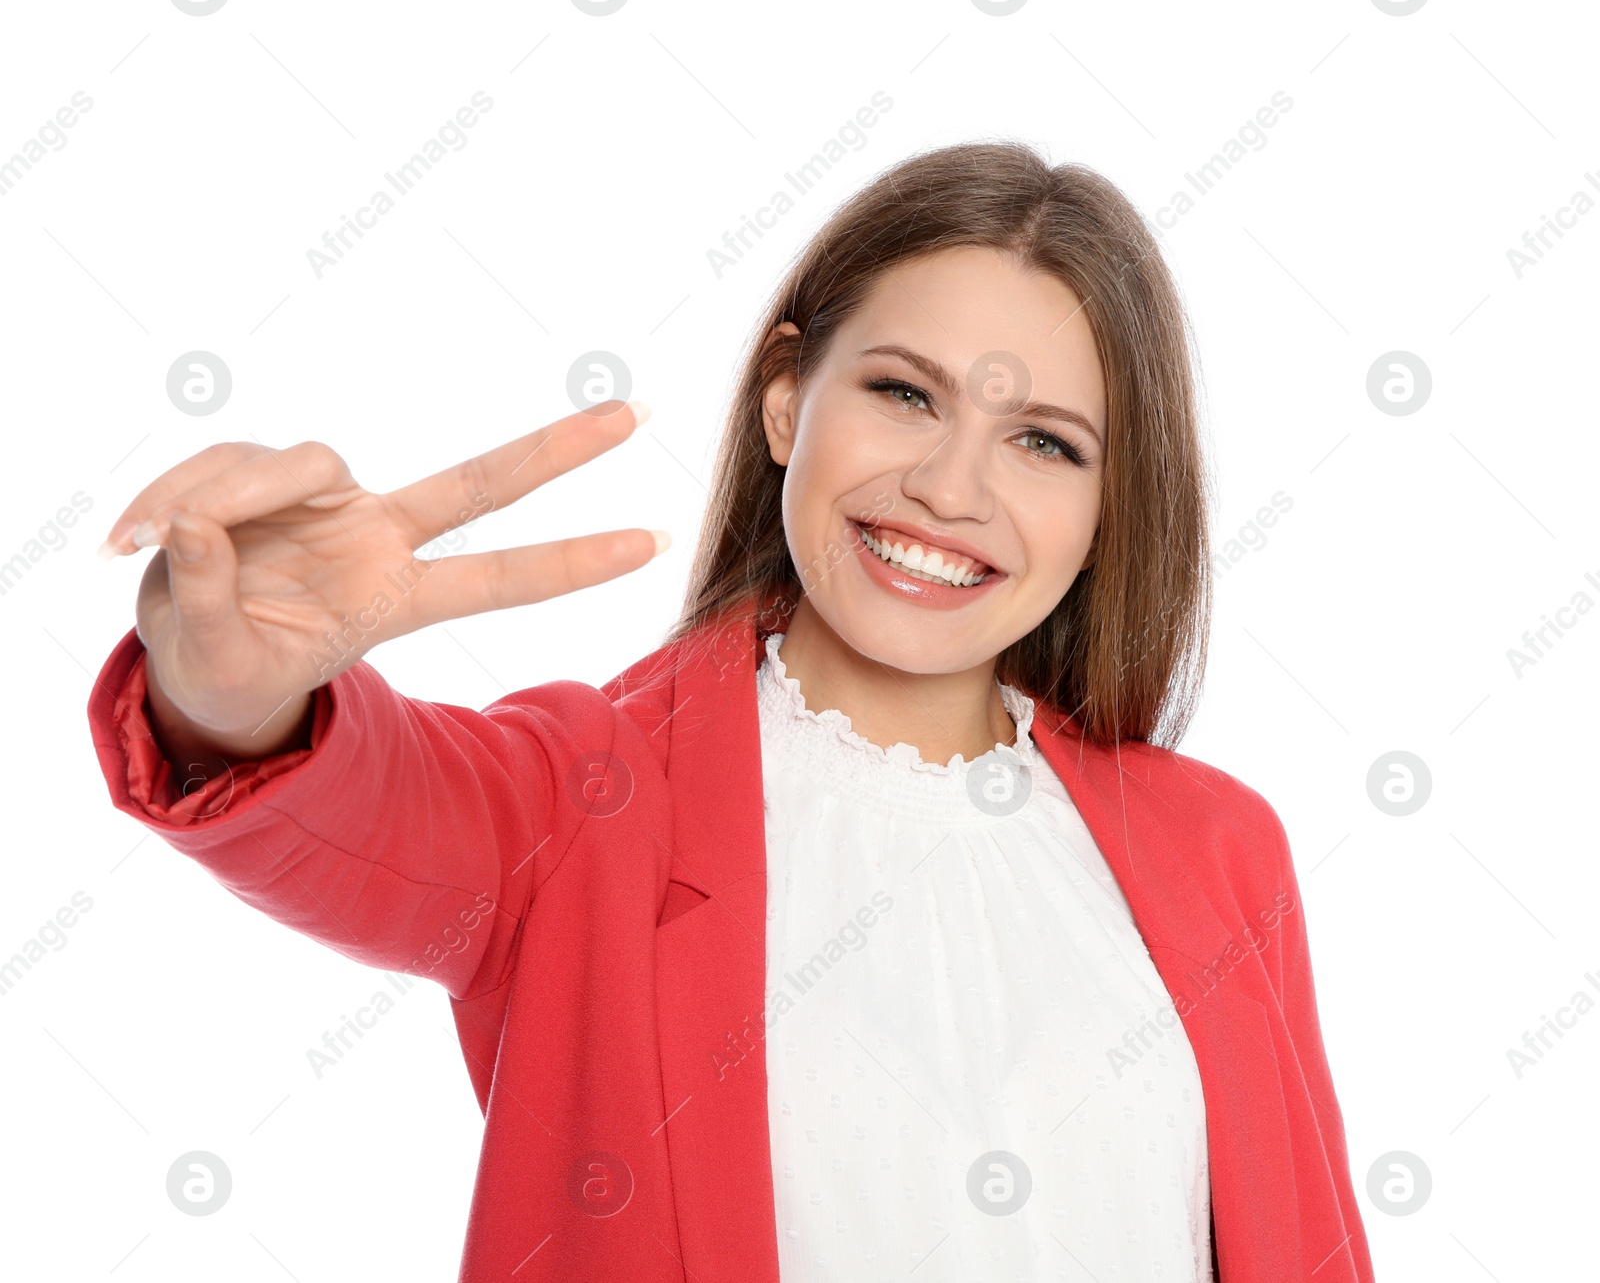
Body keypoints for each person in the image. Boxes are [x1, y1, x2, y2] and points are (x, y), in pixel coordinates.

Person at [86, 142, 1374, 1282]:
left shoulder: (1217, 851)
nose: (949, 486)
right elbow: (364, 804)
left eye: (1044, 442)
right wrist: (232, 691)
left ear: (1105, 515)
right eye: (904, 393)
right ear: (783, 402)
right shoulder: (585, 802)